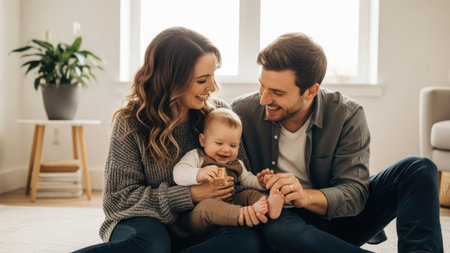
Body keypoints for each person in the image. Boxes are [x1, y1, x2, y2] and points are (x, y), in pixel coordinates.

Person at [231, 32, 443, 253]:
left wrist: (305, 196)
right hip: (282, 222)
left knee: (418, 168)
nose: (264, 98)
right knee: (275, 229)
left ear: (311, 91)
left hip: (337, 219)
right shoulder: (242, 112)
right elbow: (236, 183)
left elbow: (355, 193)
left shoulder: (346, 115)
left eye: (276, 92)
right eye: (262, 86)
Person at [74, 27, 262, 253]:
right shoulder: (131, 122)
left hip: (205, 219)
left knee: (247, 242)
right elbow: (118, 200)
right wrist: (190, 194)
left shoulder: (218, 113)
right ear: (172, 81)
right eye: (202, 80)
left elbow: (239, 173)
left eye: (213, 76)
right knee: (153, 245)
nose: (212, 88)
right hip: (144, 221)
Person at [173, 108, 284, 233]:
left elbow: (247, 179)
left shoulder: (237, 163)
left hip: (231, 201)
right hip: (198, 212)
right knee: (208, 207)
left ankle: (270, 207)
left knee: (249, 194)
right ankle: (243, 214)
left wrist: (260, 182)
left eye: (233, 146)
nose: (226, 150)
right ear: (203, 140)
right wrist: (198, 174)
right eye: (219, 143)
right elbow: (178, 173)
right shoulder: (197, 156)